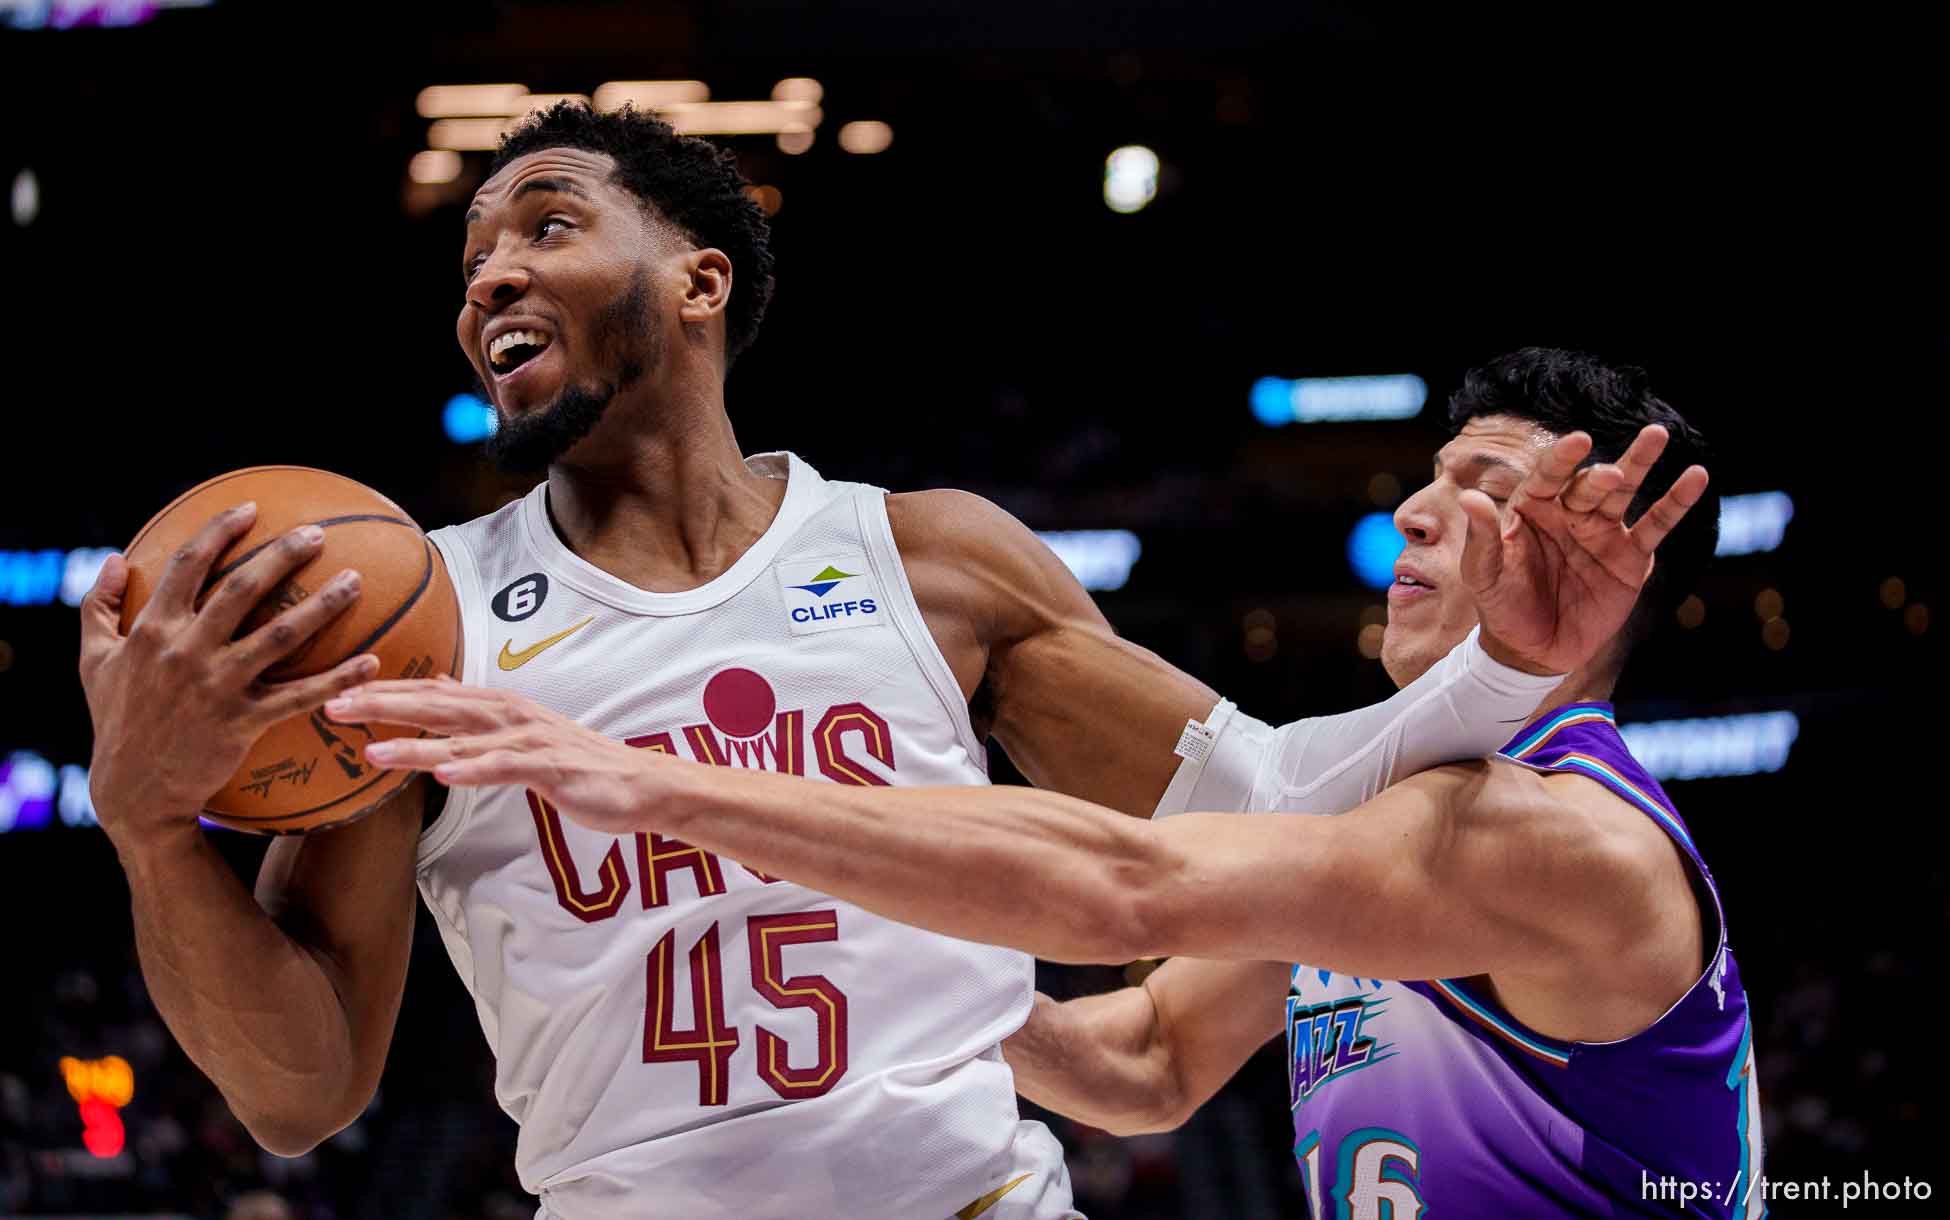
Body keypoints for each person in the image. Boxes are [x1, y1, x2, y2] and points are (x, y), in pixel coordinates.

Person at [79, 96, 1685, 1220]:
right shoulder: (412, 625)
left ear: (698, 280)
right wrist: (153, 829)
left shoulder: (928, 559)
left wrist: (1485, 686)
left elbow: (1248, 799)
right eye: (471, 261)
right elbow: (298, 1097)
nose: (488, 273)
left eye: (546, 223)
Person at [340, 349, 1743, 1218]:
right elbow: (1144, 1061)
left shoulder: (1551, 838)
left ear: (1604, 571)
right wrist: (841, 978)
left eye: (1489, 488)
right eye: (1431, 475)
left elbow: (1123, 881)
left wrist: (658, 787)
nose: (1419, 508)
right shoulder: (1381, 837)